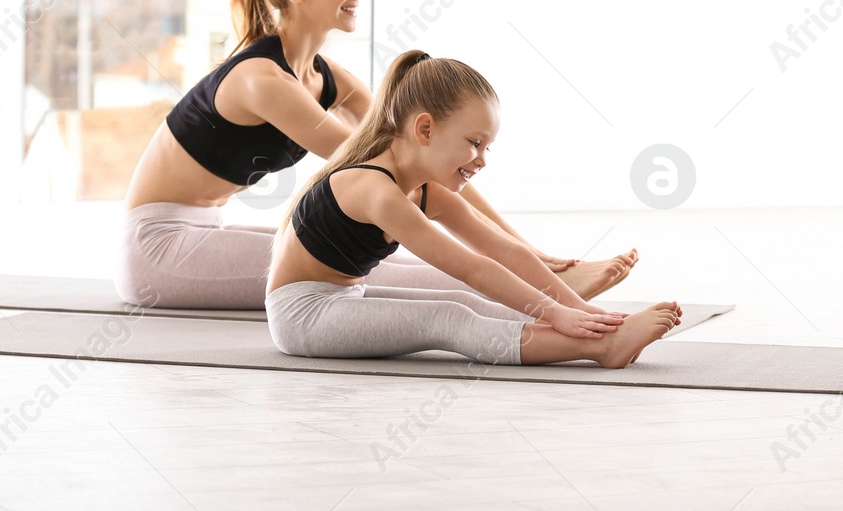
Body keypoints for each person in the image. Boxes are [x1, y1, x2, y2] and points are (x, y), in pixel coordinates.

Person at [114, 0, 638, 309]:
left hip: (204, 231)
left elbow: (429, 161)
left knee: (396, 237)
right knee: (373, 273)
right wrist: (527, 263)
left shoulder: (325, 76)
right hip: (158, 250)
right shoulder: (262, 81)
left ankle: (542, 280)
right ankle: (542, 289)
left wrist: (530, 253)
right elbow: (380, 165)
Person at [266, 49, 681, 366]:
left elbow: (504, 250)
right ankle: (605, 348)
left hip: (343, 298)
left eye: (487, 146)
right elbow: (472, 268)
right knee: (448, 317)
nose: (481, 159)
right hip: (303, 316)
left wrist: (584, 311)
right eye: (474, 142)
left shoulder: (421, 186)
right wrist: (555, 312)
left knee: (478, 306)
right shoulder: (375, 189)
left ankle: (603, 332)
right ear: (424, 129)